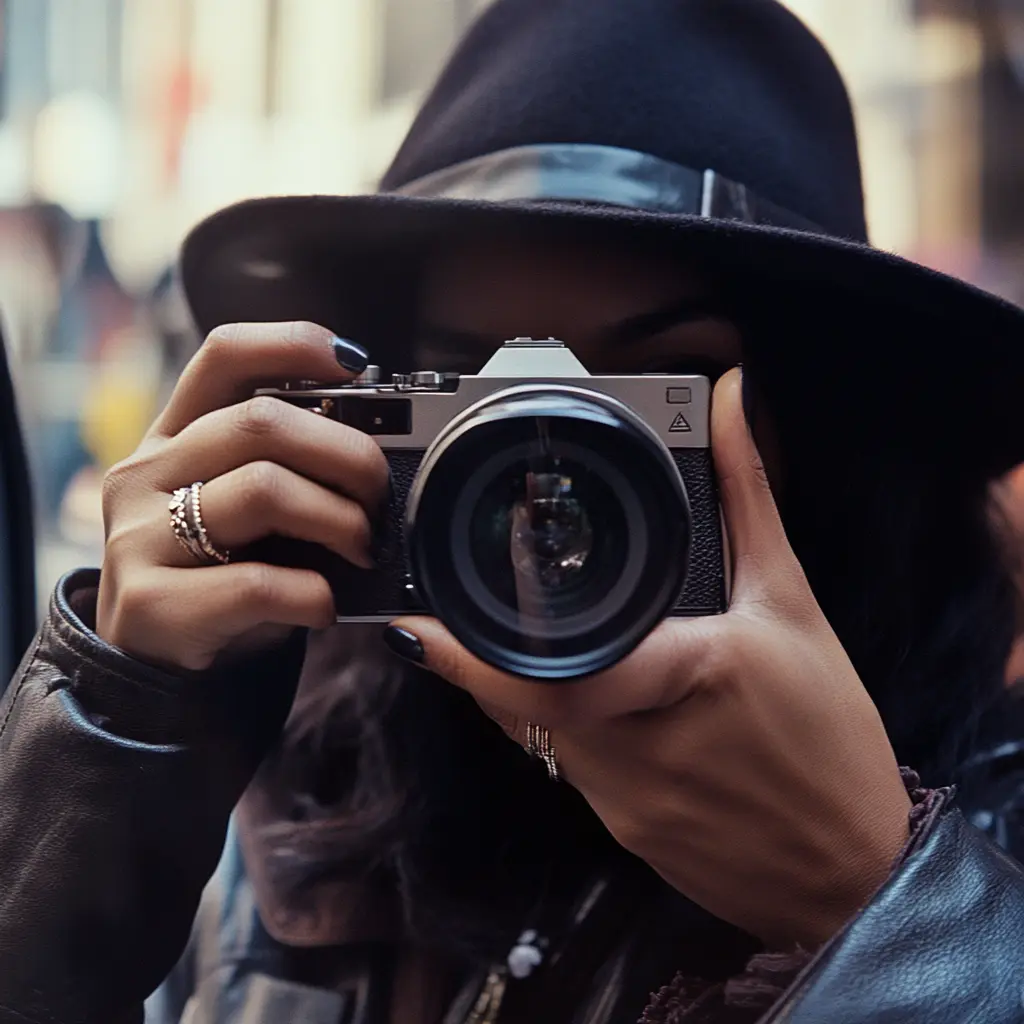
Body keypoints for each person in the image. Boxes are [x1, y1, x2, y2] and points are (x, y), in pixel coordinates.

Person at [2, 0, 1024, 1021]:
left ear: (831, 434)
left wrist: (875, 895)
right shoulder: (292, 786)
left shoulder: (999, 824)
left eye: (657, 393)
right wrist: (117, 739)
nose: (550, 482)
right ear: (370, 420)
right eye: (467, 390)